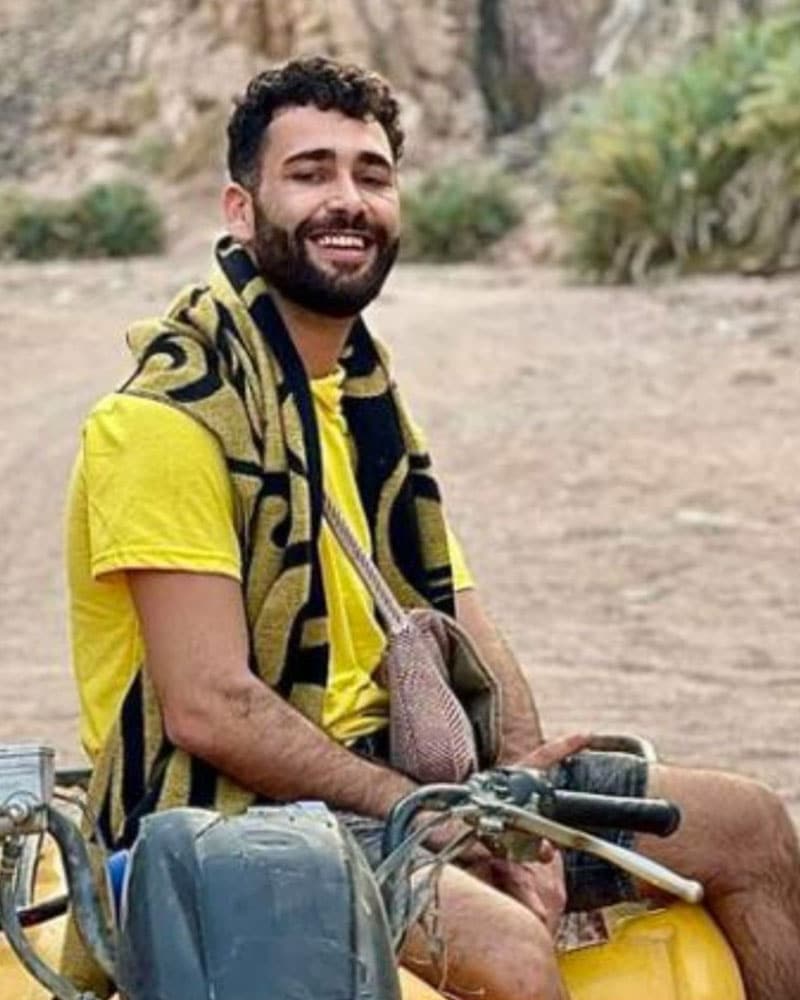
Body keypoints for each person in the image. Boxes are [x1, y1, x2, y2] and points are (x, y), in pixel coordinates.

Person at [65, 56, 800, 1000]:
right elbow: (211, 707)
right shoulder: (164, 422)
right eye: (310, 173)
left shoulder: (363, 403)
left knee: (750, 826)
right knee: (508, 951)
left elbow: (464, 618)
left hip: (404, 787)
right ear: (240, 210)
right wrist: (432, 813)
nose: (348, 199)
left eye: (371, 175)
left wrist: (514, 800)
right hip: (234, 823)